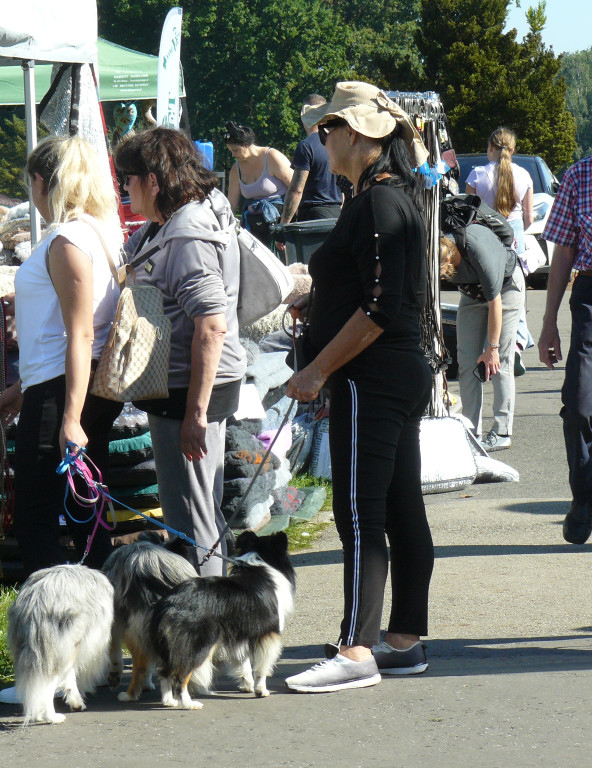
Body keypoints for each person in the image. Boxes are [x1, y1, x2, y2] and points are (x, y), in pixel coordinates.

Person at [282, 82, 433, 693]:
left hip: (370, 375)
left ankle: (356, 648)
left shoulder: (377, 203)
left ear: (360, 136)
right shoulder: (388, 197)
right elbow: (374, 298)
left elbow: (378, 309)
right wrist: (314, 304)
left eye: (328, 129)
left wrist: (318, 368)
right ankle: (403, 640)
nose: (321, 139)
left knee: (359, 510)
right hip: (394, 371)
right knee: (397, 507)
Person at [0, 135, 124, 575]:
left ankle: (55, 620)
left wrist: (70, 416)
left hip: (65, 393)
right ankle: (101, 619)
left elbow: (80, 333)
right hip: (65, 387)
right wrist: (21, 390)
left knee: (39, 514)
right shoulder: (98, 234)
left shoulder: (67, 239)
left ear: (40, 183)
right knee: (85, 507)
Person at [114, 127, 246, 577]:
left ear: (153, 180)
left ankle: (203, 631)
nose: (123, 187)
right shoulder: (195, 212)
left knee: (190, 521)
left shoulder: (186, 233)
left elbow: (210, 324)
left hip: (189, 390)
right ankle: (215, 624)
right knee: (202, 510)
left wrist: (195, 414)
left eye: (127, 178)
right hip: (195, 385)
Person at [538, 154, 592, 544]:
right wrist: (548, 321)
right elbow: (564, 251)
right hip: (590, 294)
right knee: (579, 402)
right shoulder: (580, 173)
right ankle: (585, 498)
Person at [439, 213, 524, 452]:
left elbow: (495, 302)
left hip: (505, 288)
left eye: (445, 270)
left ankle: (502, 431)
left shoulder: (477, 252)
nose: (444, 275)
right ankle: (470, 431)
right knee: (466, 361)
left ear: (451, 256)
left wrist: (492, 349)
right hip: (472, 294)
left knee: (500, 363)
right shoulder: (435, 250)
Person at [466, 127, 536, 370]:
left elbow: (469, 215)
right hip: (514, 237)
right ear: (513, 151)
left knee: (486, 293)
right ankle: (515, 343)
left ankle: (487, 345)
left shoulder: (476, 175)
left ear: (490, 148)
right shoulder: (524, 175)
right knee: (514, 294)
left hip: (485, 237)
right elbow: (529, 216)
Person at [279, 93, 344, 225]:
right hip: (336, 214)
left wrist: (283, 224)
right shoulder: (338, 143)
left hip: (312, 216)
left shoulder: (306, 146)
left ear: (304, 115)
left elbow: (296, 190)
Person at [223, 121, 293, 242]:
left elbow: (296, 188)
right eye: (230, 151)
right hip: (253, 227)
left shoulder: (272, 157)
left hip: (279, 222)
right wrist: (223, 226)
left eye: (235, 150)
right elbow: (231, 204)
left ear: (246, 145)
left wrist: (285, 225)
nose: (233, 155)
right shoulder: (236, 169)